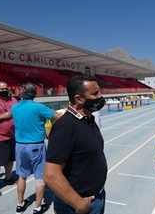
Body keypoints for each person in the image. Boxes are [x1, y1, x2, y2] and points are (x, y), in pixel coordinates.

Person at [44, 75, 107, 214]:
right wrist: (78, 204)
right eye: (95, 93)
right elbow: (51, 175)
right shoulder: (65, 127)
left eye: (99, 91)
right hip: (78, 206)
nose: (100, 96)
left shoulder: (88, 119)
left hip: (96, 198)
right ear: (79, 99)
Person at [11, 82, 61, 214]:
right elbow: (58, 117)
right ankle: (37, 207)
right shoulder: (39, 108)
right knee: (40, 177)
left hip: (20, 145)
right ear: (35, 94)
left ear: (22, 93)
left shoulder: (15, 108)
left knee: (22, 175)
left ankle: (20, 204)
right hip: (36, 145)